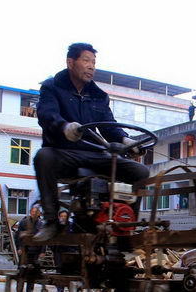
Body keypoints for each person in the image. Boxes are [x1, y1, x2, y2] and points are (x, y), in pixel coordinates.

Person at [33, 42, 150, 241]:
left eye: (94, 62)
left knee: (140, 172)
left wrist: (126, 140)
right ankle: (51, 222)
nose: (91, 66)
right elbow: (47, 115)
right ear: (71, 62)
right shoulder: (51, 87)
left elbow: (108, 126)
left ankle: (125, 224)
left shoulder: (98, 95)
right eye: (86, 60)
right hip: (64, 152)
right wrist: (64, 127)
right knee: (43, 157)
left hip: (94, 153)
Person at [15, 206, 44, 292]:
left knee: (32, 272)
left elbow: (44, 239)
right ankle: (19, 289)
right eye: (33, 211)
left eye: (36, 212)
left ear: (39, 214)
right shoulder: (24, 222)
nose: (34, 213)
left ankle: (30, 290)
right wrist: (19, 248)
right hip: (24, 251)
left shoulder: (41, 225)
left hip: (36, 252)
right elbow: (17, 237)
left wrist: (42, 251)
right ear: (30, 212)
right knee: (21, 271)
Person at [52, 210, 74, 291]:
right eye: (62, 216)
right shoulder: (55, 226)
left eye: (65, 216)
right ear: (59, 217)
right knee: (59, 270)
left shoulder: (71, 225)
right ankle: (60, 289)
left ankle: (69, 287)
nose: (63, 218)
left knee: (69, 270)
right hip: (58, 251)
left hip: (69, 251)